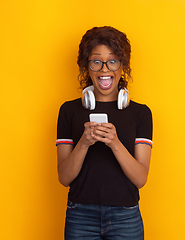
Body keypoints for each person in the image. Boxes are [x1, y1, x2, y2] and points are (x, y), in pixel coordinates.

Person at [56, 26, 153, 240]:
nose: (104, 68)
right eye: (96, 61)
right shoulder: (69, 111)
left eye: (113, 61)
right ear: (87, 67)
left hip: (125, 216)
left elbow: (140, 179)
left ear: (122, 66)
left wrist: (115, 143)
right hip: (80, 215)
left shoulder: (141, 113)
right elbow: (64, 178)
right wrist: (83, 143)